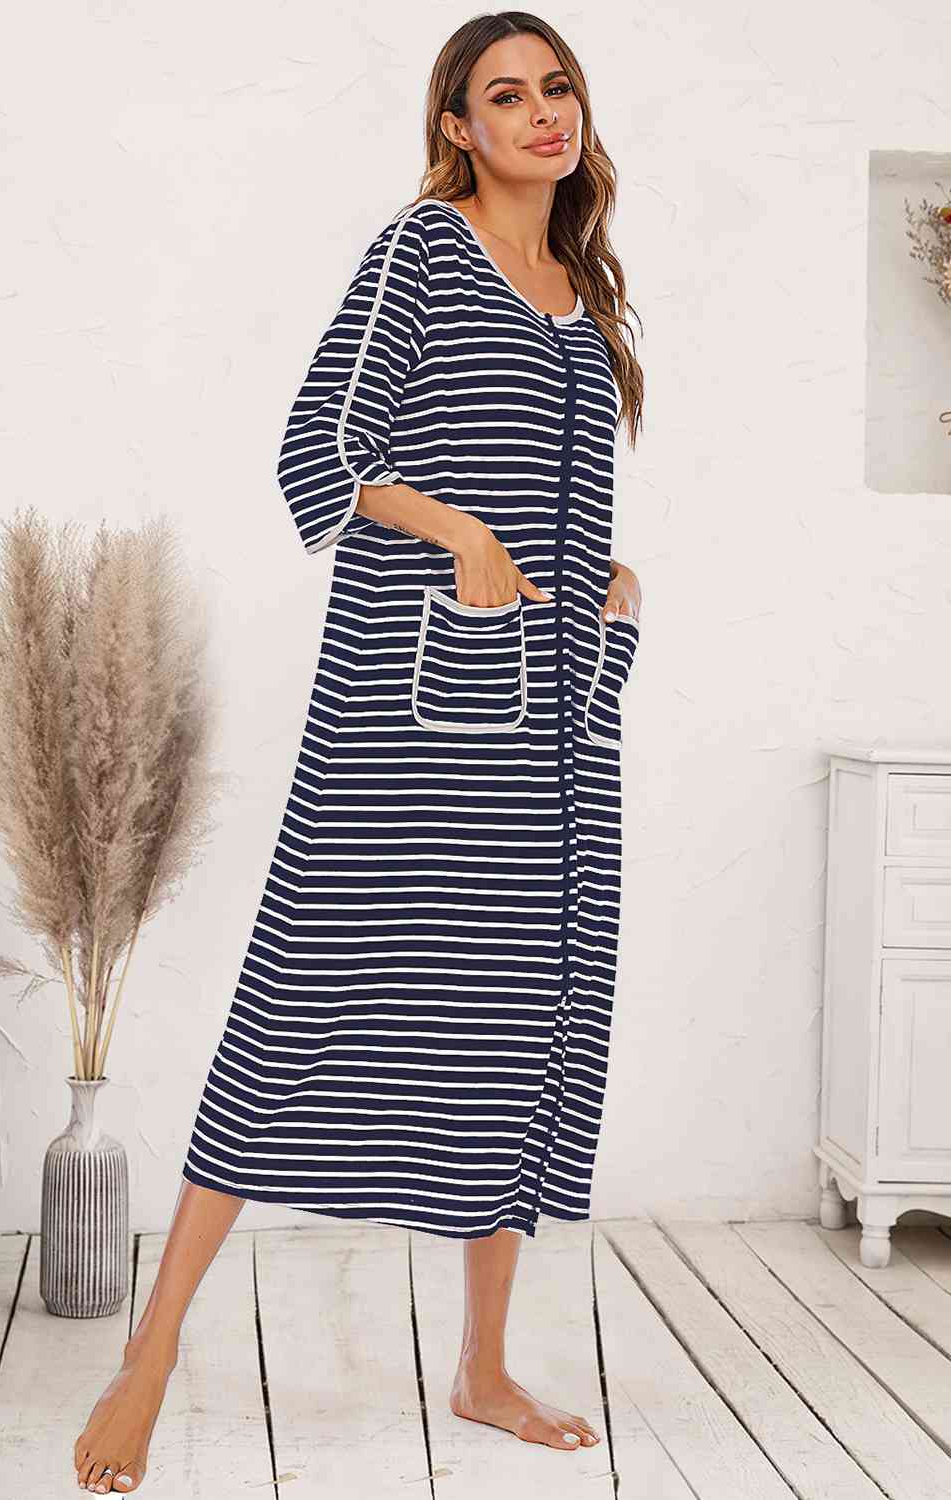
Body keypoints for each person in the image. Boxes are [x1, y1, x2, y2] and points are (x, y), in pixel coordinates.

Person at [73, 10, 645, 1492]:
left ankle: (483, 1366)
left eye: (558, 88)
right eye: (506, 95)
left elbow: (563, 486)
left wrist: (609, 579)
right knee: (304, 994)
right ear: (458, 126)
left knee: (526, 1014)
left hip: (557, 724)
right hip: (411, 712)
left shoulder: (584, 287)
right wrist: (457, 531)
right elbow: (321, 449)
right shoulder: (422, 254)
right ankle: (152, 1353)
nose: (543, 113)